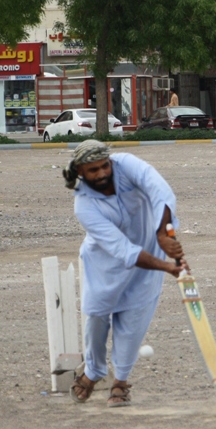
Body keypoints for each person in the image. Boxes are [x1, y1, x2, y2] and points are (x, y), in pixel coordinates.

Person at [63, 140, 188, 407]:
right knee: (96, 317)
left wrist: (162, 232)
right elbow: (123, 250)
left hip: (148, 258)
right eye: (93, 170)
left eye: (104, 166)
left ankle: (120, 382)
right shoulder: (84, 205)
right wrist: (167, 266)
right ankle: (94, 371)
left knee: (133, 324)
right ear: (80, 173)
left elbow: (160, 191)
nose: (102, 174)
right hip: (104, 265)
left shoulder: (127, 165)